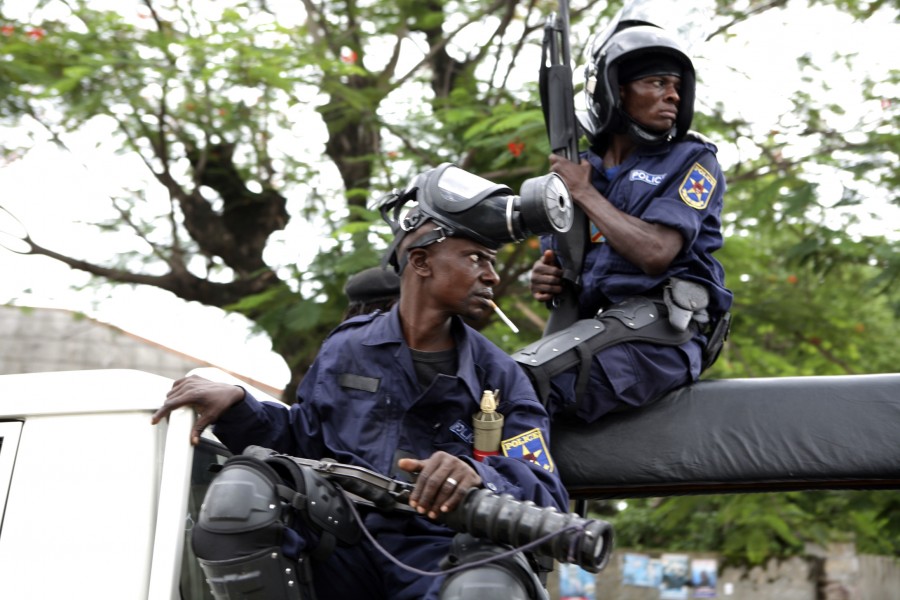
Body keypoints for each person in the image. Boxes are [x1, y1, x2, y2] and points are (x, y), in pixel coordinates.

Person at [152, 167, 568, 600]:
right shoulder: (348, 348)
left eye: (492, 262)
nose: (492, 276)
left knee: (486, 588)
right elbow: (305, 440)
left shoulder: (500, 376)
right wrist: (239, 404)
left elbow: (546, 490)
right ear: (421, 261)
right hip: (344, 540)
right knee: (243, 496)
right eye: (475, 258)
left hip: (441, 551)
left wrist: (479, 476)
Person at [523, 21, 733, 423]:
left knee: (523, 387)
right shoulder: (578, 170)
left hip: (661, 337)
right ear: (617, 90)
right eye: (656, 83)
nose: (672, 94)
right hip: (596, 332)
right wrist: (546, 279)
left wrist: (586, 194)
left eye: (675, 85)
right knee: (487, 382)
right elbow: (560, 266)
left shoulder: (693, 161)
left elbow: (656, 252)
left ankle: (514, 486)